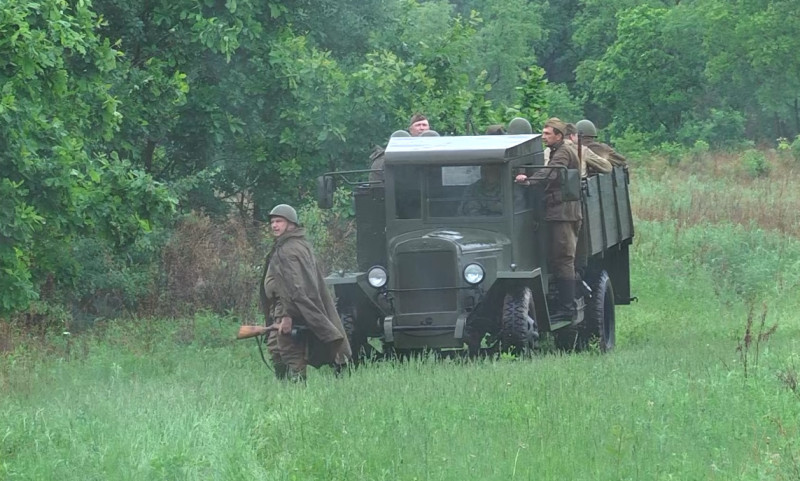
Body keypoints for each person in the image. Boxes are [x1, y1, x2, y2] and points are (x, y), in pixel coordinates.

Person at [260, 204, 351, 381]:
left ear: (291, 224)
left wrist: (287, 315)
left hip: (289, 307)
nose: (274, 225)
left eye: (279, 221)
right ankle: (284, 387)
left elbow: (295, 287)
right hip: (284, 307)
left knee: (289, 350)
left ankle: (297, 392)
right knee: (275, 348)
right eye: (272, 222)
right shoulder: (293, 245)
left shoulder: (289, 249)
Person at [514, 118, 582, 318]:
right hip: (556, 212)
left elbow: (551, 173)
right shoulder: (557, 151)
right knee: (557, 258)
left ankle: (568, 308)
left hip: (563, 214)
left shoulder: (563, 152)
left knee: (563, 259)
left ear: (559, 136)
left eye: (547, 134)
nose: (543, 137)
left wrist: (529, 180)